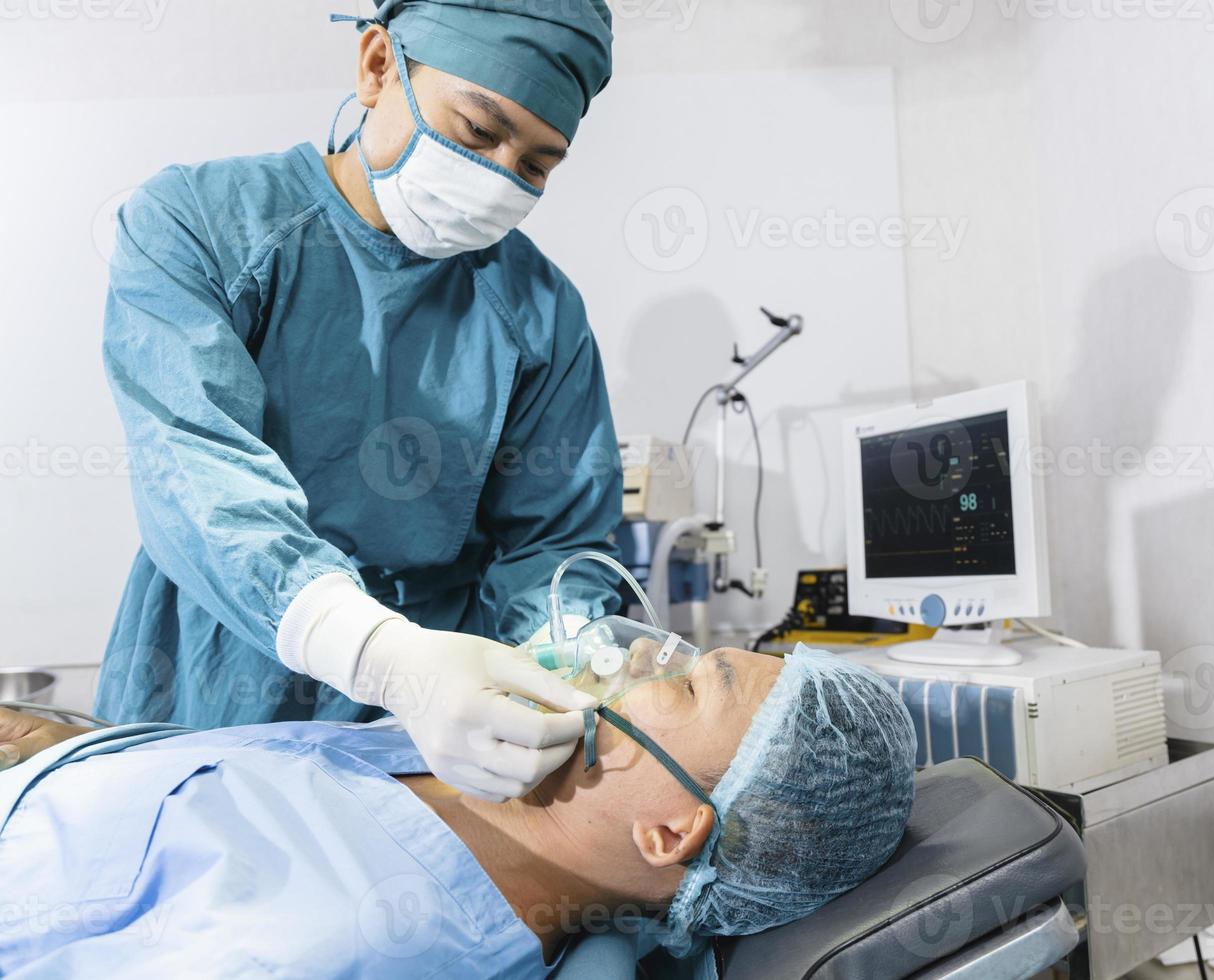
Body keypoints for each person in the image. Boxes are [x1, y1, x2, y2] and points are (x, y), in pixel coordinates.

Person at [97, 0, 624, 803]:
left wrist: (569, 651)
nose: (498, 177)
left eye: (535, 166)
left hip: (439, 706)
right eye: (478, 132)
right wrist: (386, 656)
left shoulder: (540, 313)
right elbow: (196, 474)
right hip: (218, 658)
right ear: (378, 65)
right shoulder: (199, 225)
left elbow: (554, 540)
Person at [0, 647, 917, 978]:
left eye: (676, 685)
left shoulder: (336, 942)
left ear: (671, 833)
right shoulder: (486, 773)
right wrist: (58, 744)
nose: (634, 657)